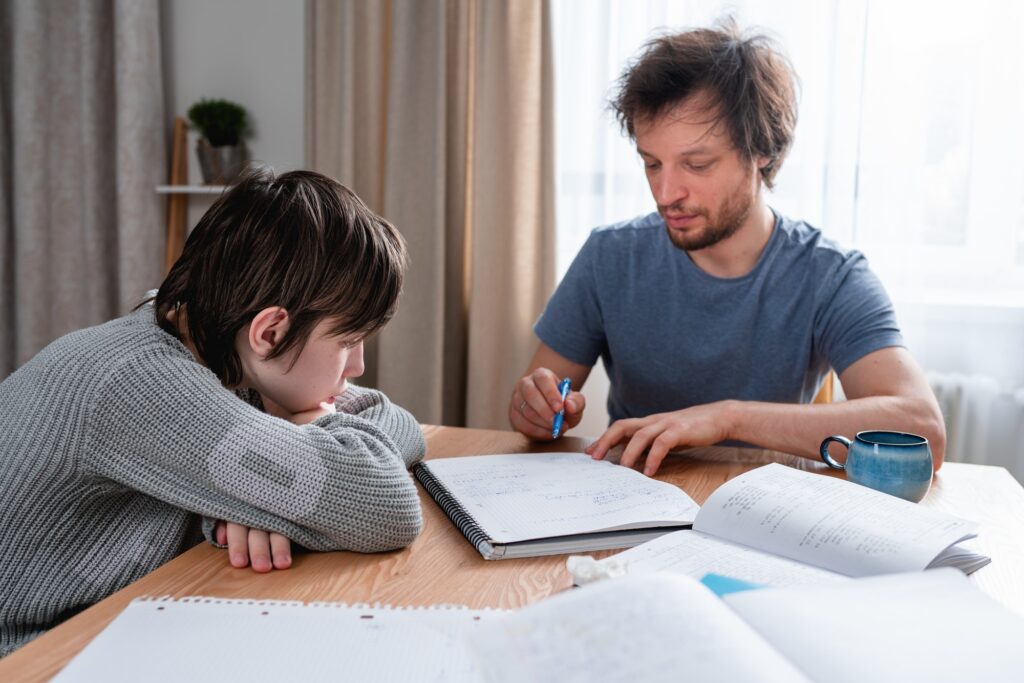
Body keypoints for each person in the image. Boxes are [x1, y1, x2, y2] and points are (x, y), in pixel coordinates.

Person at [0, 168, 425, 656]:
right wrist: (287, 478)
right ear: (271, 332)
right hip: (33, 655)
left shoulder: (205, 337)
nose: (359, 364)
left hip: (108, 624)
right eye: (348, 340)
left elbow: (401, 425)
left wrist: (266, 498)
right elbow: (385, 503)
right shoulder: (146, 385)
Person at [509, 21, 945, 476]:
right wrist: (534, 409)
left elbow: (924, 429)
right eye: (651, 163)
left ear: (761, 151)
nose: (665, 192)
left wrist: (726, 417)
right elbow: (532, 416)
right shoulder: (609, 256)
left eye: (696, 164)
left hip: (772, 517)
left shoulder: (830, 275)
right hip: (633, 508)